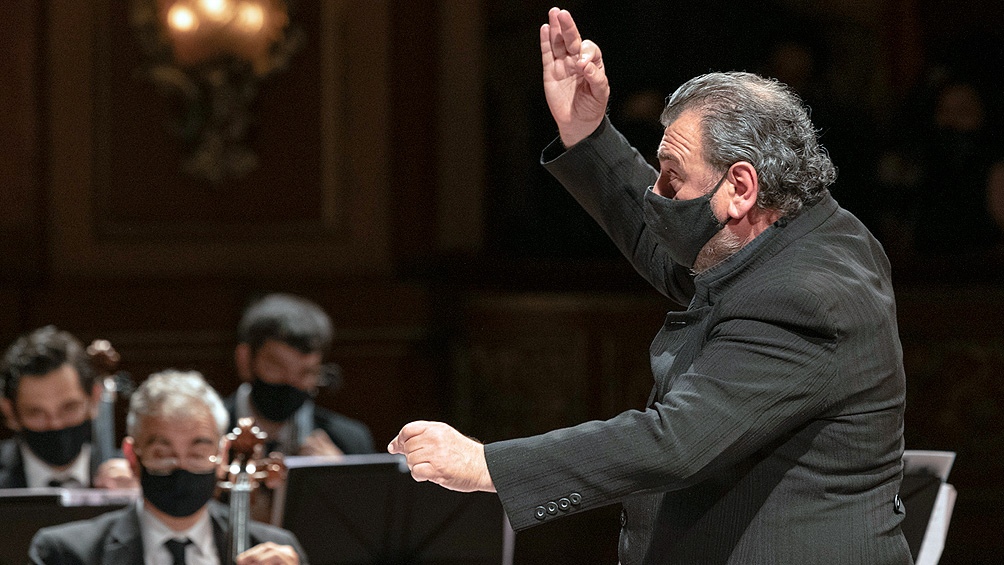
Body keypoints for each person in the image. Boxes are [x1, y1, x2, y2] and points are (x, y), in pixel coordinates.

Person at [389, 8, 910, 564]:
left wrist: (486, 465)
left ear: (740, 186)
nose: (656, 193)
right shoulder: (801, 229)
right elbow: (667, 244)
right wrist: (587, 131)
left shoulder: (807, 296)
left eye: (671, 175)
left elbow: (676, 442)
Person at [29, 369, 307, 564]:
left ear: (222, 456)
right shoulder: (65, 554)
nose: (181, 467)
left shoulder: (274, 552)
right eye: (163, 455)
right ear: (132, 457)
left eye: (198, 454)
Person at [225, 293, 374, 457]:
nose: (291, 382)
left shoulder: (350, 441)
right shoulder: (205, 433)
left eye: (306, 372)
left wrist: (336, 477)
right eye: (276, 367)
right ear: (245, 360)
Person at [0, 326, 136, 489]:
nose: (56, 424)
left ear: (94, 399)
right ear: (10, 412)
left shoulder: (134, 474)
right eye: (36, 412)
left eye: (69, 408)